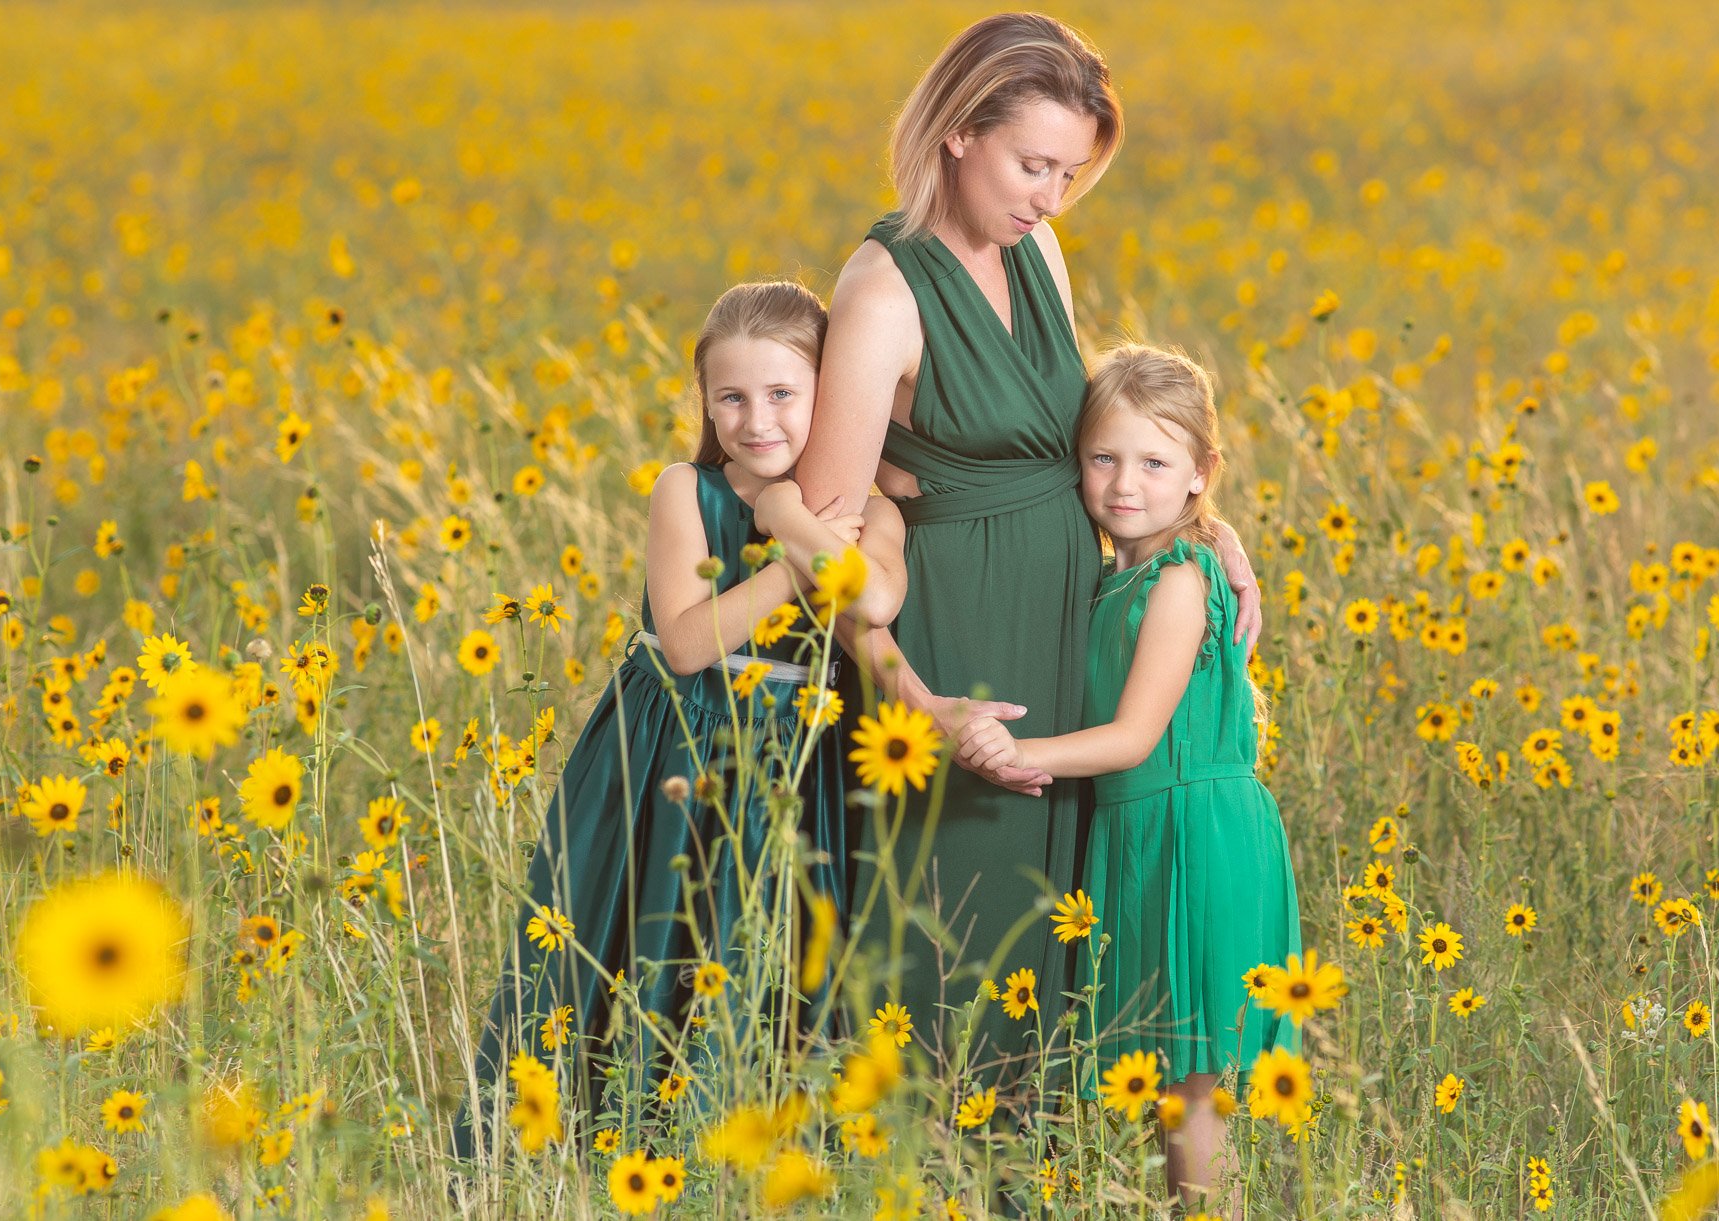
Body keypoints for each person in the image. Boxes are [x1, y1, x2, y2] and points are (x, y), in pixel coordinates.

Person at [791, 12, 1263, 1079]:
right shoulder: (882, 296)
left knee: (1044, 942)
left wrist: (1205, 525)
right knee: (951, 937)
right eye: (1033, 165)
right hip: (951, 657)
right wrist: (924, 706)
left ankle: (1032, 1182)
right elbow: (823, 546)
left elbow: (1094, 443)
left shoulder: (1034, 245)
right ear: (958, 129)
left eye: (1067, 172)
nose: (1051, 197)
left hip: (1063, 639)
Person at [453, 280, 906, 1161]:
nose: (755, 419)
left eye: (782, 394)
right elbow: (691, 642)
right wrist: (787, 551)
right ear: (705, 403)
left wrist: (793, 516)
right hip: (676, 745)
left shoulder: (873, 508)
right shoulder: (684, 490)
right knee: (651, 931)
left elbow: (876, 593)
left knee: (761, 944)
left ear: (833, 393)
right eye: (729, 397)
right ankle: (603, 1144)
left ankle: (736, 1148)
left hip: (796, 755)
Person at [955, 344, 1300, 1213]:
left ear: (1200, 472)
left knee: (1191, 1075)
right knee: (1160, 1070)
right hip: (1139, 830)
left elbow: (1136, 735)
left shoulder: (1181, 578)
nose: (1122, 484)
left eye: (1154, 462)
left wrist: (1017, 753)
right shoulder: (1121, 570)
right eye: (1103, 457)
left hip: (1195, 828)